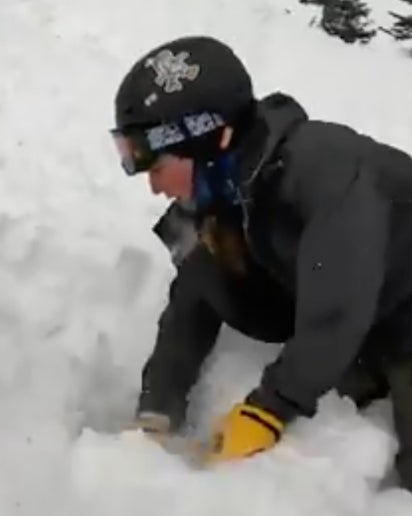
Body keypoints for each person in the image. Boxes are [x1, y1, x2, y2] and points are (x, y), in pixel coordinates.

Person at [110, 35, 412, 481]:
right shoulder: (216, 197)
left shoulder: (328, 171)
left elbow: (339, 309)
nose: (154, 187)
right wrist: (157, 409)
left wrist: (266, 411)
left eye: (157, 167)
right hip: (363, 321)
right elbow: (190, 303)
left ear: (212, 140)